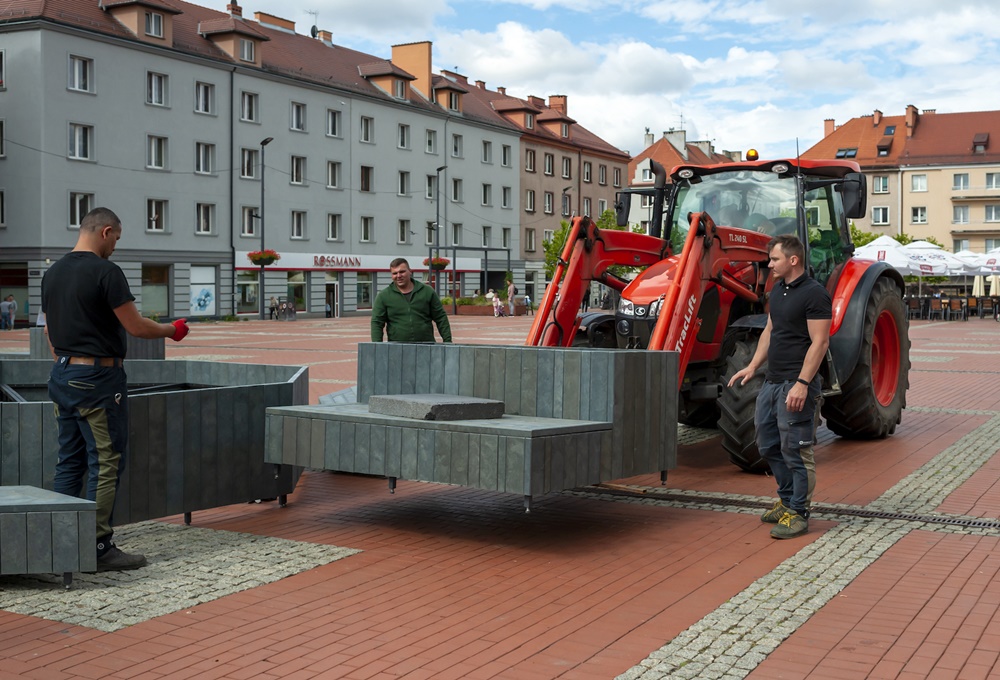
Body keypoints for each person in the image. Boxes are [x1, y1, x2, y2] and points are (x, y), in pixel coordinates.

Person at [42, 207, 190, 571]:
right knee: (105, 461)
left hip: (63, 375)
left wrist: (69, 363)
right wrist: (173, 330)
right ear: (105, 231)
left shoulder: (52, 273)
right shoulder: (106, 272)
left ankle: (61, 541)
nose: (115, 248)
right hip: (98, 381)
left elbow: (49, 332)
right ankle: (97, 547)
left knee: (69, 460)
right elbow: (135, 326)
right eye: (117, 239)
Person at [727, 234, 830, 540]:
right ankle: (786, 501)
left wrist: (802, 383)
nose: (769, 264)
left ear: (793, 260)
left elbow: (820, 342)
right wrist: (752, 366)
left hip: (796, 384)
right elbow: (770, 330)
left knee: (796, 450)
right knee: (768, 444)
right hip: (772, 382)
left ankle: (798, 512)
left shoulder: (814, 294)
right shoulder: (778, 290)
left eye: (774, 259)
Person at [371, 258, 452, 343]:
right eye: (395, 273)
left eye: (402, 272)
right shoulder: (384, 296)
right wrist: (377, 346)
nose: (398, 276)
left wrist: (447, 341)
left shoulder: (427, 291)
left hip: (426, 345)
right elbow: (377, 323)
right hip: (397, 347)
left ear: (410, 271)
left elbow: (440, 317)